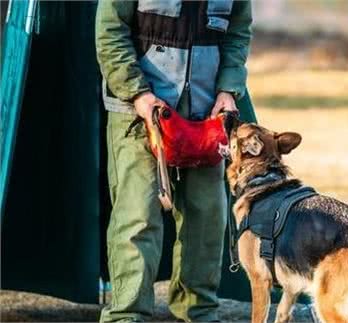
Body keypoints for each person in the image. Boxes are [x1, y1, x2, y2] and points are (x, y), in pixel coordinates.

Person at [95, 0, 252, 321]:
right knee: (137, 216)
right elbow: (110, 32)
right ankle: (127, 315)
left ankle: (198, 311)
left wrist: (228, 90)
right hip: (138, 111)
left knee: (207, 217)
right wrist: (137, 93)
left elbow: (237, 33)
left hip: (207, 113)